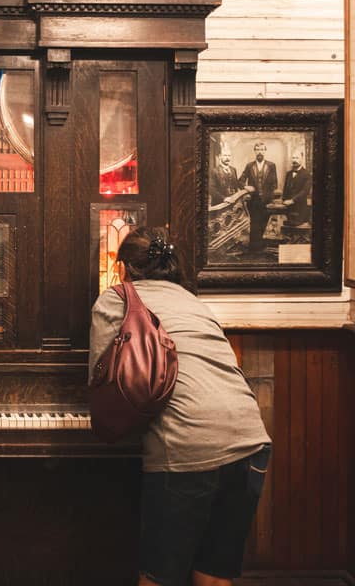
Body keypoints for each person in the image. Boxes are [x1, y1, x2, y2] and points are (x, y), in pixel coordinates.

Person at [90, 227, 271, 586]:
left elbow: (106, 382)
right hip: (251, 441)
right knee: (213, 574)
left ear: (124, 268)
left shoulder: (117, 299)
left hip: (190, 444)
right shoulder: (194, 302)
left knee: (158, 577)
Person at [238, 141, 277, 252]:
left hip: (266, 201)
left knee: (263, 222)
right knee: (255, 223)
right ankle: (254, 248)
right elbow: (240, 181)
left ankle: (258, 245)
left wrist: (270, 198)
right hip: (253, 200)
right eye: (258, 149)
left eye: (262, 149)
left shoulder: (271, 165)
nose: (260, 152)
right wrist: (246, 187)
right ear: (255, 151)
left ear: (265, 151)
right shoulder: (249, 165)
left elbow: (275, 184)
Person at [281, 149, 311, 226]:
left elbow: (305, 192)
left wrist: (292, 200)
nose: (294, 160)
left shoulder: (307, 174)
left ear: (302, 159)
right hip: (287, 210)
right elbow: (285, 190)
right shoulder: (288, 174)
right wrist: (283, 200)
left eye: (297, 158)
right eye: (293, 158)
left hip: (300, 210)